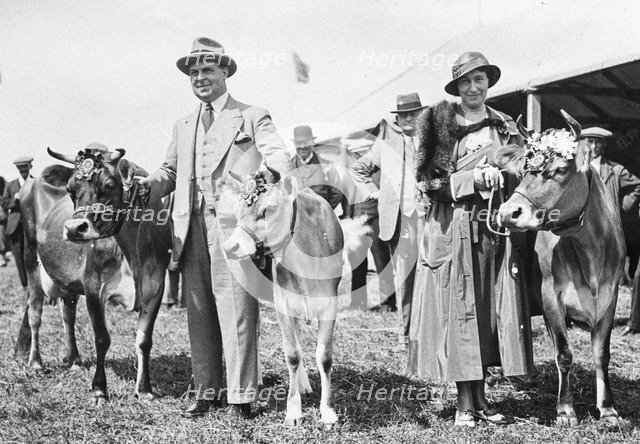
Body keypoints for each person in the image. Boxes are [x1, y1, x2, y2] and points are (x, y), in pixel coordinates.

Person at [137, 37, 290, 419]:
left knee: (238, 309)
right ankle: (206, 391)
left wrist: (268, 175)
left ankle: (240, 396)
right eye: (194, 73)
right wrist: (145, 184)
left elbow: (277, 155)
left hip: (237, 230)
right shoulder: (183, 123)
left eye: (207, 70)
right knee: (199, 310)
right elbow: (169, 172)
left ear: (225, 71)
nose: (200, 78)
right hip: (189, 230)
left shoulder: (252, 115)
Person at [407, 52, 536, 428]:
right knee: (462, 310)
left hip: (494, 229)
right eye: (466, 82)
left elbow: (523, 176)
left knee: (487, 311)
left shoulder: (506, 125)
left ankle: (481, 399)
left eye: (479, 80)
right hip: (454, 227)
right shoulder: (438, 123)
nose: (473, 88)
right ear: (456, 87)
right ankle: (464, 402)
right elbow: (429, 184)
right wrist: (472, 180)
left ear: (488, 83)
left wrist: (503, 177)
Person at [351, 93, 427, 349]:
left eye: (412, 114)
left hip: (431, 220)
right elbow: (358, 170)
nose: (408, 119)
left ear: (421, 115)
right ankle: (406, 338)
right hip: (399, 223)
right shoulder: (386, 146)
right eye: (403, 115)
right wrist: (374, 193)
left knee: (432, 278)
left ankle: (432, 334)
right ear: (397, 118)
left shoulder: (433, 143)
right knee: (405, 279)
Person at [582, 127, 640, 335]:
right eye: (589, 141)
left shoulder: (615, 170)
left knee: (604, 274)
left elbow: (638, 186)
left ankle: (603, 317)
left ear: (604, 146)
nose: (594, 146)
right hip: (581, 228)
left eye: (598, 143)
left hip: (606, 230)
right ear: (583, 143)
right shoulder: (576, 168)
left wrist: (624, 205)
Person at [288, 125, 348, 212]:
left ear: (312, 143)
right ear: (294, 144)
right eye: (298, 143)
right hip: (299, 220)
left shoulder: (326, 165)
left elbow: (337, 192)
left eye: (306, 142)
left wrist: (325, 211)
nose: (302, 146)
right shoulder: (289, 168)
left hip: (321, 217)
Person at [1, 157, 34, 287]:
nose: (23, 170)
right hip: (15, 228)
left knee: (33, 257)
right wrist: (14, 200)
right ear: (17, 169)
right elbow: (3, 203)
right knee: (19, 259)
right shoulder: (11, 185)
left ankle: (36, 287)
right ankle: (25, 286)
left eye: (25, 167)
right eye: (20, 167)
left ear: (30, 166)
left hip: (32, 226)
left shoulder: (35, 182)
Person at [0, 176, 9, 267]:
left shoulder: (2, 180)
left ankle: (3, 257)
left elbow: (5, 197)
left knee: (2, 237)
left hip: (2, 215)